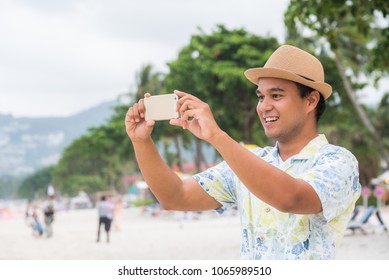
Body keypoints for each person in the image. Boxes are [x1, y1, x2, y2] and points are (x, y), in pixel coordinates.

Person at [124, 44, 361, 259]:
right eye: (261, 97)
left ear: (310, 101)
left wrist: (217, 136)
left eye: (276, 96)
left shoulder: (338, 161)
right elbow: (175, 196)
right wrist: (141, 141)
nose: (264, 106)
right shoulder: (252, 162)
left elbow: (291, 198)